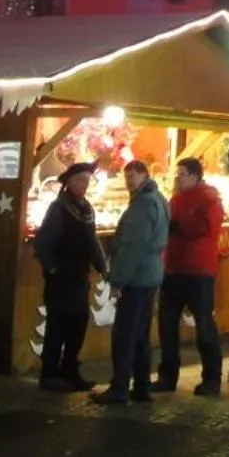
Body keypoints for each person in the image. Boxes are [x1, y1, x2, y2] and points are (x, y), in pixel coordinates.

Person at [93, 160, 167, 404]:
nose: (129, 181)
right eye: (127, 177)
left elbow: (132, 246)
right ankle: (142, 385)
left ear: (145, 175)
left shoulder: (143, 205)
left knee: (125, 334)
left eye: (133, 176)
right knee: (140, 334)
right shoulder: (157, 199)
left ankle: (120, 388)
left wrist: (118, 280)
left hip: (137, 277)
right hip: (151, 275)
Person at [152, 157, 224, 397]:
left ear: (194, 176)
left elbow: (207, 229)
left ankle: (212, 379)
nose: (177, 178)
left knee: (204, 326)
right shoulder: (176, 198)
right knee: (167, 325)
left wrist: (178, 225)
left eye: (181, 174)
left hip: (198, 271)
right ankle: (167, 376)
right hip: (173, 269)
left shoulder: (208, 199)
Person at [32, 161, 106, 392]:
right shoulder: (59, 209)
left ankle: (70, 369)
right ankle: (50, 374)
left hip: (78, 275)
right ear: (69, 183)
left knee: (78, 323)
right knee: (58, 324)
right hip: (61, 277)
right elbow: (43, 241)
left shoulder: (86, 208)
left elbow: (91, 240)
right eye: (79, 180)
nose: (83, 185)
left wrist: (102, 265)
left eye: (86, 180)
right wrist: (52, 269)